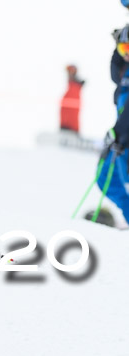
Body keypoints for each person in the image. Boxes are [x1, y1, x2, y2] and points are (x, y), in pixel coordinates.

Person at [98, 26, 129, 225]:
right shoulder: (123, 73)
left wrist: (119, 135)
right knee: (104, 178)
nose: (126, 54)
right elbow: (114, 75)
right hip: (121, 138)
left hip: (123, 137)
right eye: (123, 49)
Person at [59, 65, 84, 134]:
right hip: (65, 127)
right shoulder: (71, 88)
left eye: (70, 72)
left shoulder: (75, 89)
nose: (68, 75)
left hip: (71, 128)